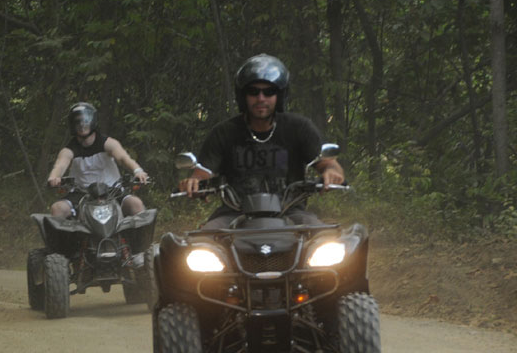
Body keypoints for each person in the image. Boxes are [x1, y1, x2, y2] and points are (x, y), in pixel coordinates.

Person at [178, 54, 345, 229]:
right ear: (243, 96)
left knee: (324, 240)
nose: (261, 98)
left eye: (269, 92)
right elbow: (203, 172)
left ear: (280, 96)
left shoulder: (299, 128)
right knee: (203, 242)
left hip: (290, 211)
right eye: (253, 92)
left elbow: (328, 163)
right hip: (234, 213)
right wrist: (194, 182)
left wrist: (331, 172)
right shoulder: (224, 132)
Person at [46, 102, 149, 219]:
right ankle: (61, 238)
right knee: (57, 208)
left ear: (93, 121)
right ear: (72, 124)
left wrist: (137, 171)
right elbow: (60, 166)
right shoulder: (68, 150)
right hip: (81, 194)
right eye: (78, 121)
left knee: (136, 204)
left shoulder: (109, 143)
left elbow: (123, 158)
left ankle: (141, 237)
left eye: (85, 120)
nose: (82, 124)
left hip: (112, 192)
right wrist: (54, 178)